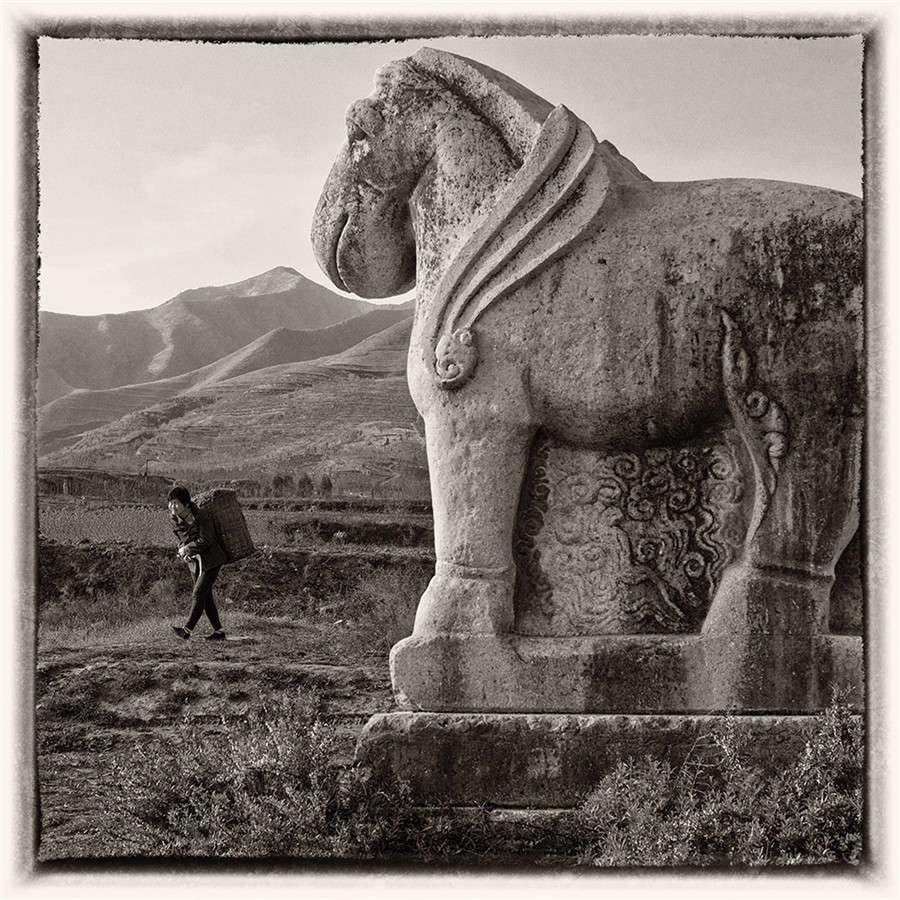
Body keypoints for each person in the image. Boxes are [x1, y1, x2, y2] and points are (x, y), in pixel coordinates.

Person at [167, 485, 228, 641]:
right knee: (206, 597)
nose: (172, 506)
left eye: (176, 503)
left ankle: (186, 630)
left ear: (186, 504)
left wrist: (187, 549)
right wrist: (184, 552)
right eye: (170, 503)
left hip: (212, 559)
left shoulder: (202, 516)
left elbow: (206, 540)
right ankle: (219, 631)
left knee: (198, 593)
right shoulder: (174, 519)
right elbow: (182, 541)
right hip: (195, 562)